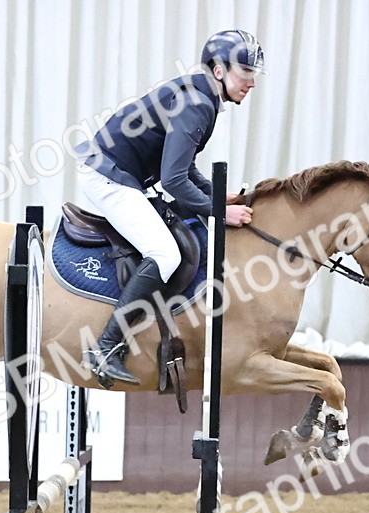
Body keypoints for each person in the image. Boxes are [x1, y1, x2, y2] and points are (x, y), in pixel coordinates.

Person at [73, 30, 264, 386]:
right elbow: (174, 180)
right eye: (244, 72)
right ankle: (104, 348)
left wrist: (217, 195)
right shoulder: (197, 104)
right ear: (219, 71)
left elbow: (183, 168)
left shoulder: (200, 95)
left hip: (120, 171)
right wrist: (219, 214)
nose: (251, 82)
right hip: (108, 176)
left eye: (253, 74)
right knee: (164, 254)